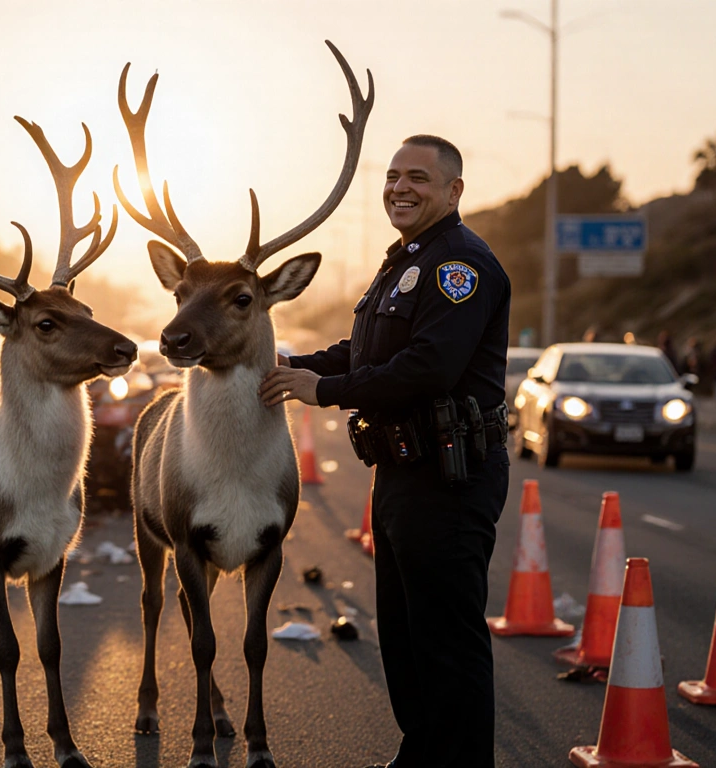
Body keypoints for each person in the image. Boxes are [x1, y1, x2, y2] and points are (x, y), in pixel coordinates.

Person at [259, 135, 511, 768]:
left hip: (449, 475)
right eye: (394, 175)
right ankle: (420, 753)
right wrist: (289, 368)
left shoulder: (461, 265)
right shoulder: (404, 261)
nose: (400, 186)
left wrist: (328, 392)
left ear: (454, 191)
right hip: (401, 471)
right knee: (403, 636)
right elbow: (364, 350)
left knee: (446, 640)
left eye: (418, 178)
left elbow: (430, 366)